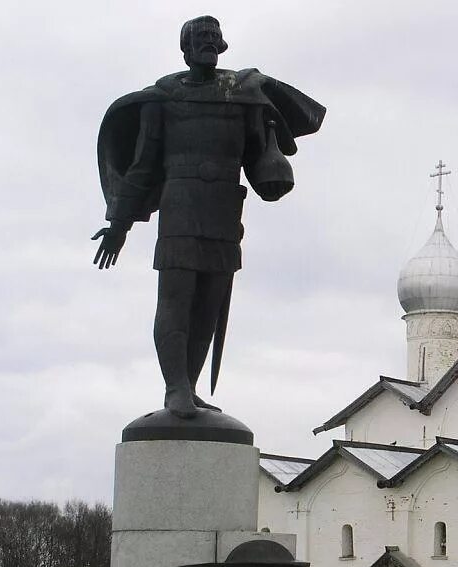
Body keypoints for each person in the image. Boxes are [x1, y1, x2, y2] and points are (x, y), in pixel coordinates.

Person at [92, 16, 325, 418]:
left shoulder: (243, 93)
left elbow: (259, 156)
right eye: (200, 38)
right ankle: (175, 387)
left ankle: (191, 384)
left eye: (214, 38)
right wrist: (119, 225)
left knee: (209, 305)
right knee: (176, 300)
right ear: (185, 48)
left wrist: (273, 165)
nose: (208, 44)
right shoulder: (162, 98)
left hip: (223, 206)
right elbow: (144, 165)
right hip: (180, 203)